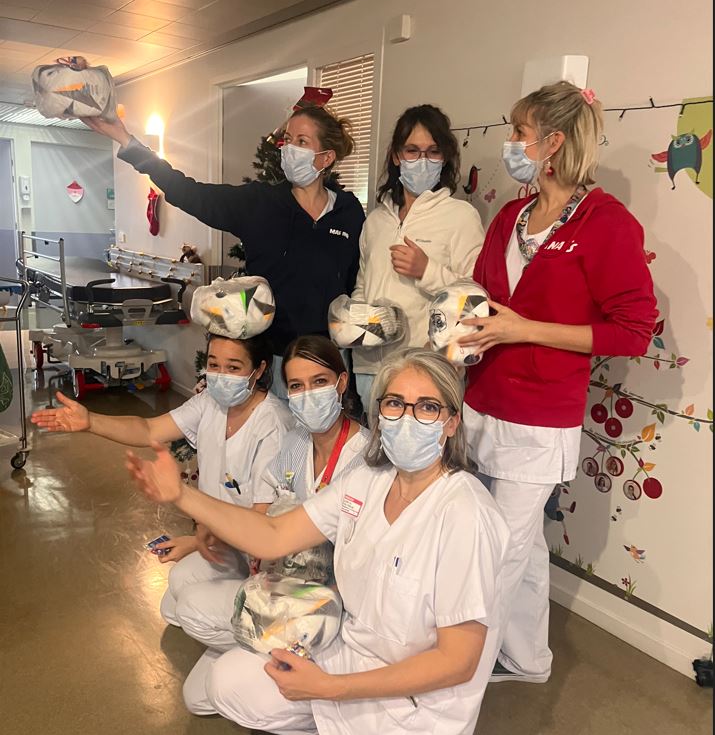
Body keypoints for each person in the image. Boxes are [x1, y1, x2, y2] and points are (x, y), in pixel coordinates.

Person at [127, 348, 510, 735]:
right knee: (228, 682)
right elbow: (274, 535)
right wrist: (182, 496)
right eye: (395, 404)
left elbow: (457, 661)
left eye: (427, 407)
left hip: (416, 702)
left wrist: (331, 689)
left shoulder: (466, 513)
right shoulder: (369, 481)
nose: (407, 419)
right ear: (380, 413)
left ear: (451, 422)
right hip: (351, 653)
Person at [458, 81, 658, 683]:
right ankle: (528, 657)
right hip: (482, 402)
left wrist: (524, 330)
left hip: (539, 419)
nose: (509, 142)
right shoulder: (511, 217)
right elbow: (483, 296)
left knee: (495, 556)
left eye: (519, 131)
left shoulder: (606, 223)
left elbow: (633, 332)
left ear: (553, 142)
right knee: (520, 548)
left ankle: (457, 682)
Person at [81, 105, 365, 399]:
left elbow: (355, 281)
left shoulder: (349, 212)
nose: (290, 148)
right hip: (272, 360)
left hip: (327, 363)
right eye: (288, 139)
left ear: (327, 157)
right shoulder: (259, 203)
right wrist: (126, 140)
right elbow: (187, 191)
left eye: (302, 141)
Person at [30, 333, 293, 626]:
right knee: (174, 599)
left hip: (262, 556)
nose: (220, 376)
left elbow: (262, 522)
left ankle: (260, 636)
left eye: (233, 367)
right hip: (223, 543)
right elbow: (148, 429)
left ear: (259, 369)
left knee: (191, 609)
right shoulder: (210, 403)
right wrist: (91, 421)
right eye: (213, 365)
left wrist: (198, 539)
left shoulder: (273, 425)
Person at [168, 334, 369, 652]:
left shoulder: (366, 458)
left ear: (342, 382)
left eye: (319, 382)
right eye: (297, 386)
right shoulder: (295, 443)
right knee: (178, 598)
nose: (308, 395)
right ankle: (257, 648)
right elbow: (267, 517)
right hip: (278, 572)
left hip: (329, 597)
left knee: (196, 616)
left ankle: (267, 654)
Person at [351, 105, 484, 411]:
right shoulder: (376, 220)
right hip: (370, 367)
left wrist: (427, 271)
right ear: (397, 156)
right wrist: (355, 322)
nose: (422, 160)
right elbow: (363, 285)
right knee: (374, 442)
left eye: (433, 152)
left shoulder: (461, 217)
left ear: (444, 157)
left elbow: (475, 298)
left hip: (426, 370)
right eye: (412, 150)